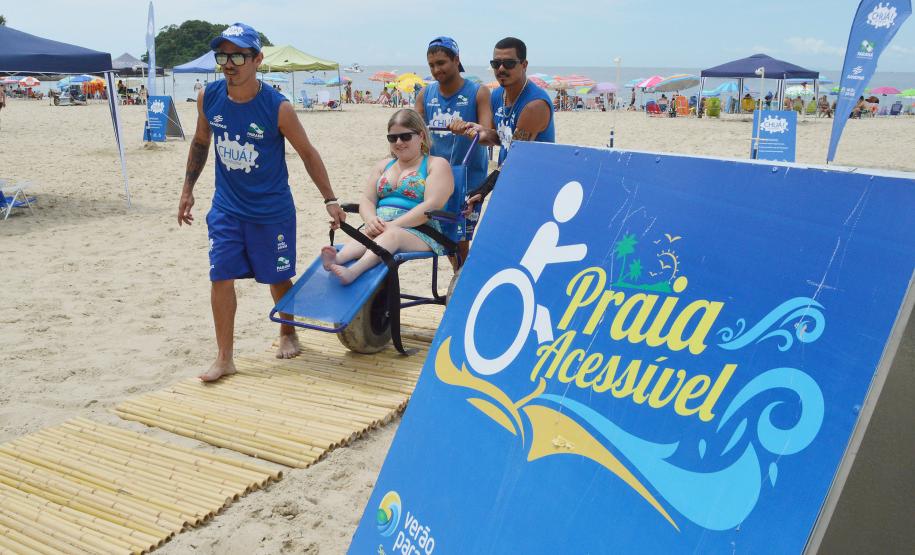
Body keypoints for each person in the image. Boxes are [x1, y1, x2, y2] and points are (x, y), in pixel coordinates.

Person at [177, 22, 345, 382]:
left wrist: (330, 199)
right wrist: (187, 189)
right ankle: (225, 357)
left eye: (238, 54)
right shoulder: (210, 97)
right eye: (223, 55)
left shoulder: (278, 107)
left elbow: (307, 153)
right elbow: (201, 142)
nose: (229, 63)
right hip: (226, 207)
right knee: (220, 275)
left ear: (257, 59)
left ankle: (287, 332)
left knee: (277, 277)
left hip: (271, 212)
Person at [321, 109, 453, 285]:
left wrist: (392, 225)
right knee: (367, 233)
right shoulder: (383, 165)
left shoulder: (435, 165)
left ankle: (353, 271)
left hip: (422, 230)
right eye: (392, 138)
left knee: (391, 235)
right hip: (383, 227)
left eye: (405, 136)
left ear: (421, 136)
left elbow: (432, 205)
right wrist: (370, 220)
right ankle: (338, 259)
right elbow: (367, 200)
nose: (398, 142)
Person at [452, 37, 554, 215]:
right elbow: (498, 138)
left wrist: (483, 190)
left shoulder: (534, 105)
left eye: (508, 63)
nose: (501, 69)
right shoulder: (498, 95)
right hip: (508, 183)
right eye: (496, 63)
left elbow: (516, 157)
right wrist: (478, 132)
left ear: (524, 65)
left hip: (535, 188)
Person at [415, 36, 492, 267]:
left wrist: (469, 129)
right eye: (431, 65)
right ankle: (460, 282)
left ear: (456, 60)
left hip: (469, 178)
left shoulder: (478, 93)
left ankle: (461, 285)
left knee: (461, 240)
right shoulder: (425, 95)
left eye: (441, 63)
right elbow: (415, 134)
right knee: (446, 238)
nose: (436, 69)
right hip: (436, 177)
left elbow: (487, 137)